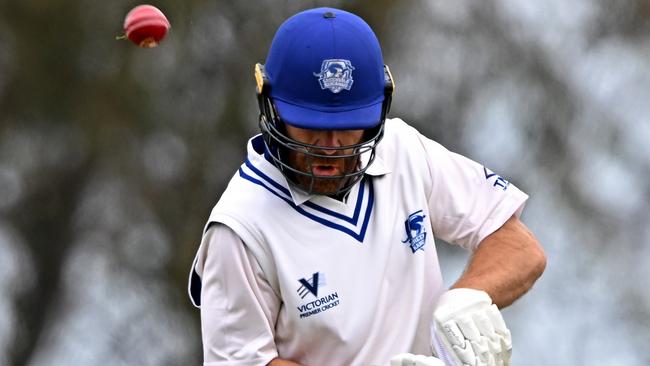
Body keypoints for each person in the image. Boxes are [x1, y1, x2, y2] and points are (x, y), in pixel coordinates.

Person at [188, 7, 546, 366]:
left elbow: (519, 247)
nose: (329, 145)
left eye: (347, 124)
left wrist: (462, 304)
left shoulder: (403, 149)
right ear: (272, 107)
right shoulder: (239, 228)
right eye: (309, 124)